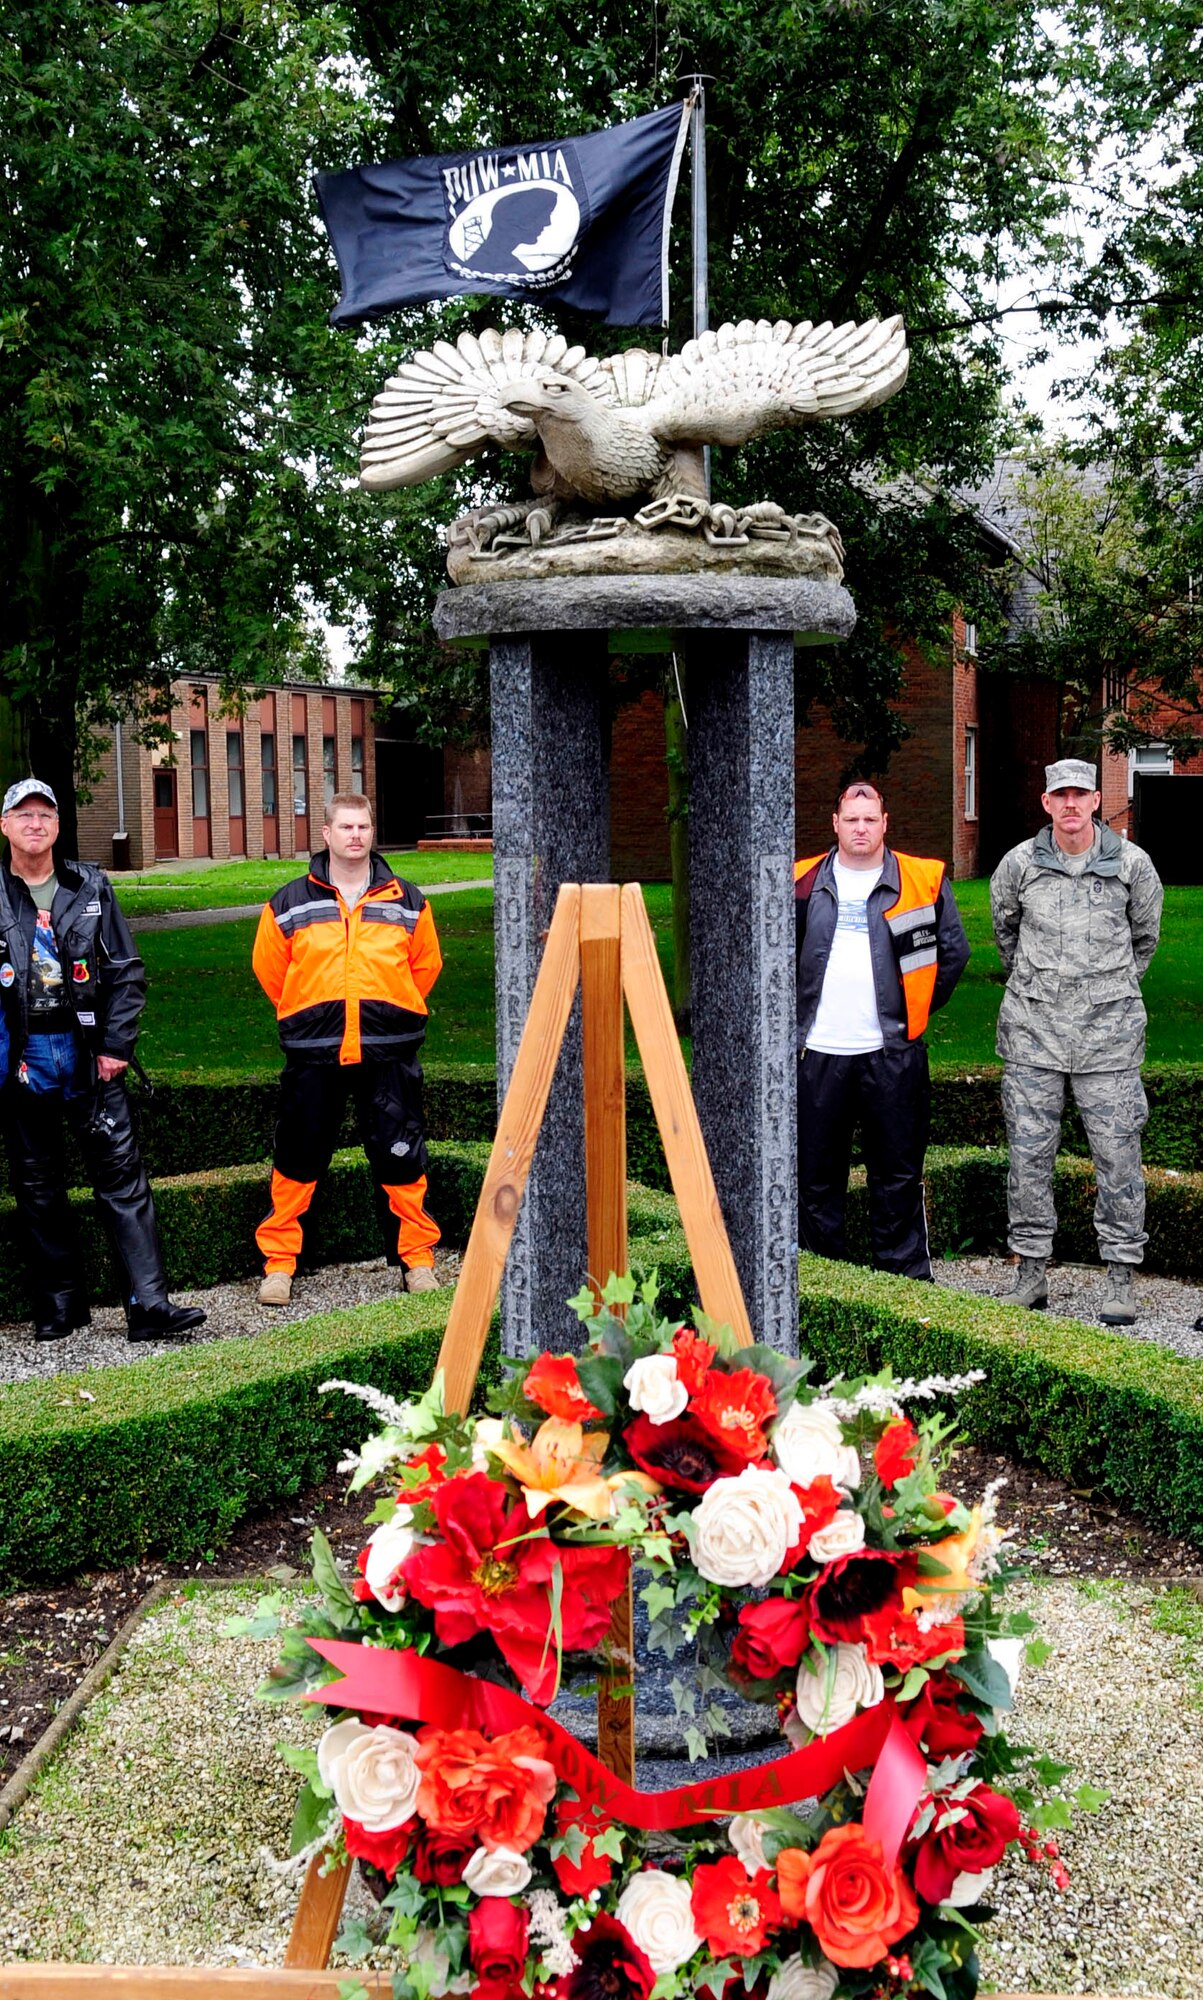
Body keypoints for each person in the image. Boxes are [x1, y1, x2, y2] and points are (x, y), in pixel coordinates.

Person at [0, 778, 207, 1342]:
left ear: (59, 827)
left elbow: (126, 971)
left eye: (46, 814)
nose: (35, 823)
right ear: (5, 826)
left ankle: (150, 1306)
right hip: (23, 1056)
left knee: (122, 1180)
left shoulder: (90, 884)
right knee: (38, 1187)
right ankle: (60, 1307)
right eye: (24, 814)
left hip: (88, 1052)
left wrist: (117, 1045)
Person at [990, 758, 1163, 1326]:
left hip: (1108, 1042)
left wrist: (1102, 993)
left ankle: (1119, 1276)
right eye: (1059, 795)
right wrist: (1045, 992)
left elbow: (1146, 940)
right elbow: (1006, 935)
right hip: (1033, 1037)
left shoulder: (1133, 866)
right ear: (1046, 802)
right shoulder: (1018, 865)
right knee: (1029, 1158)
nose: (1070, 804)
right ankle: (1031, 1272)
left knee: (1118, 1159)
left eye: (1080, 794)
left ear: (1096, 801)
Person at [253, 793, 443, 1305]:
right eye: (345, 827)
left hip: (390, 1053)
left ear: (371, 832)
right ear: (327, 834)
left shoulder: (408, 899)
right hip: (314, 1054)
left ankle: (417, 1260)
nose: (355, 835)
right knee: (296, 1157)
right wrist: (312, 1012)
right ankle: (279, 1265)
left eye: (363, 826)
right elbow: (272, 972)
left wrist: (390, 1011)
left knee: (402, 1156)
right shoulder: (289, 902)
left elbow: (425, 967)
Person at [795, 781, 970, 1280]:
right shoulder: (801, 882)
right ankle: (821, 1281)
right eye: (851, 819)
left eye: (870, 819)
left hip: (892, 1055)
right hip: (819, 1055)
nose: (861, 828)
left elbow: (952, 955)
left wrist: (912, 1012)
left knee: (897, 1177)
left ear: (885, 823)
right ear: (835, 823)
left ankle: (903, 1284)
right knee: (816, 1179)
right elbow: (776, 958)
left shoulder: (923, 879)